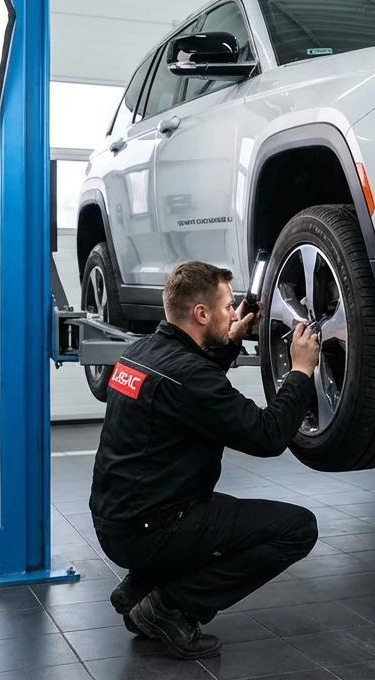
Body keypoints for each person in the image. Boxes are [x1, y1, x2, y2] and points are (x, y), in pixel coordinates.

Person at [89, 260, 321, 659]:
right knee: (297, 529)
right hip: (153, 528)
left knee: (204, 512)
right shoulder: (191, 377)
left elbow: (190, 386)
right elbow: (267, 436)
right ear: (201, 313)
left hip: (115, 521)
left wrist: (231, 339)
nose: (234, 312)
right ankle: (170, 606)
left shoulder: (141, 351)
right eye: (228, 306)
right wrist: (300, 372)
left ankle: (142, 585)